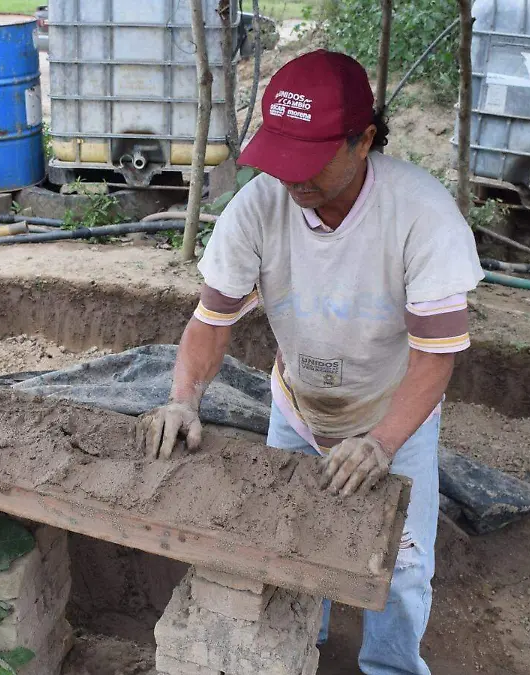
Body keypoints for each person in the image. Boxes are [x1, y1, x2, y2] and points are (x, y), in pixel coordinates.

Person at [135, 50, 484, 675]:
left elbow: (436, 357)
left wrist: (380, 443)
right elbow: (210, 322)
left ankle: (392, 669)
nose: (293, 179)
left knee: (399, 570)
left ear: (364, 140)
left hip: (392, 416)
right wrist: (184, 397)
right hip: (297, 412)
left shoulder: (421, 215)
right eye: (283, 159)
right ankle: (302, 651)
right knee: (286, 548)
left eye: (312, 161)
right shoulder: (258, 208)